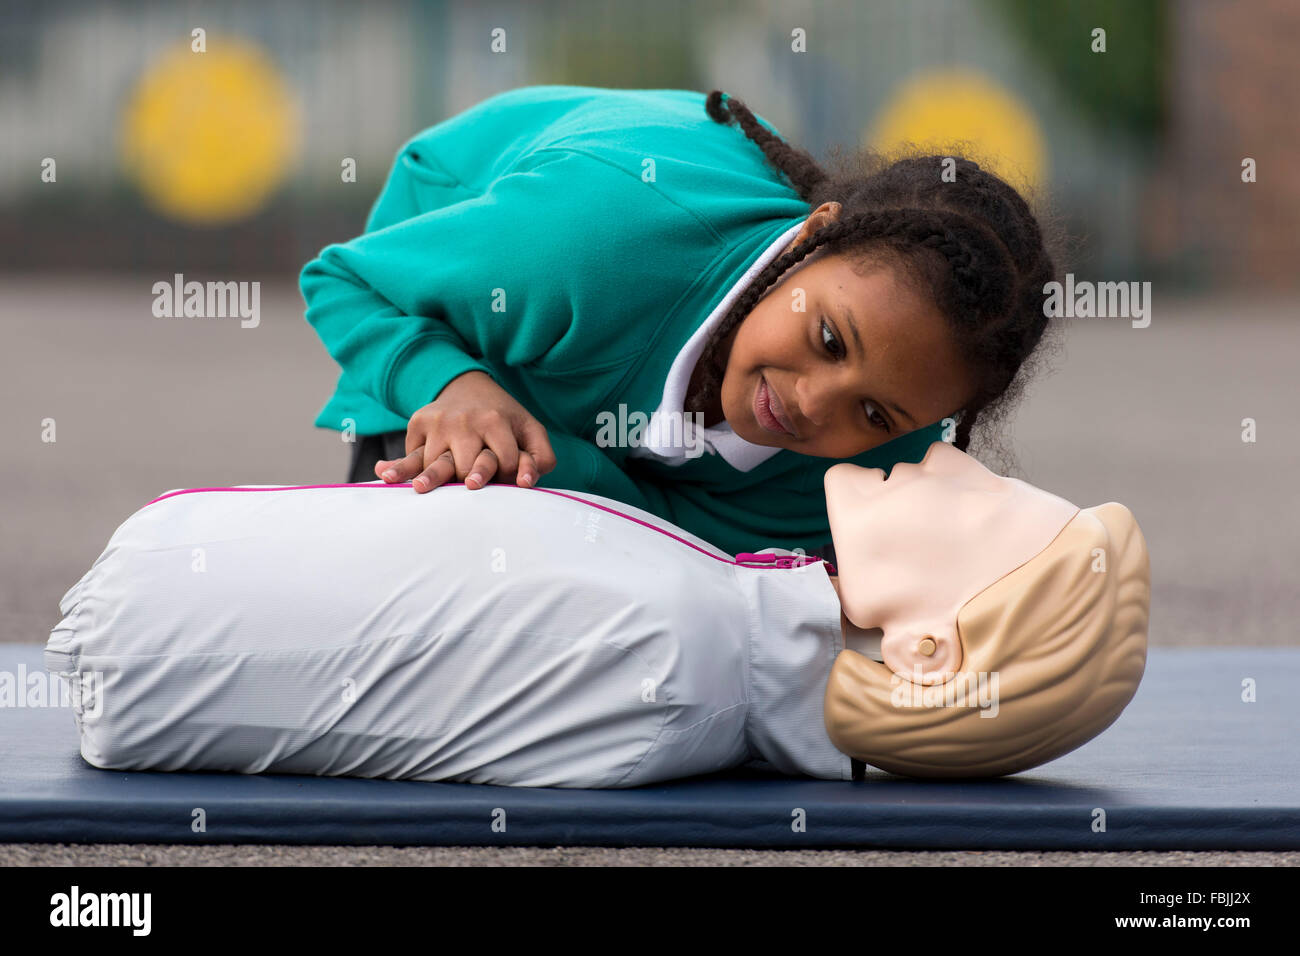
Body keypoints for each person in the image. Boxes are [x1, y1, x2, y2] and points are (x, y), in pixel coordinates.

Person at [44, 442, 1148, 788]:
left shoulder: (670, 640)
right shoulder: (707, 627)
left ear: (925, 648)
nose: (952, 453)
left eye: (989, 499)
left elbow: (155, 628)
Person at [300, 85, 1063, 556]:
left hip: (600, 417)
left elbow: (684, 538)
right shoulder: (579, 248)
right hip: (453, 293)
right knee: (444, 556)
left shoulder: (865, 469)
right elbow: (347, 280)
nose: (811, 404)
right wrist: (454, 384)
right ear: (810, 238)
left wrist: (569, 467)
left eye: (871, 411)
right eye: (829, 339)